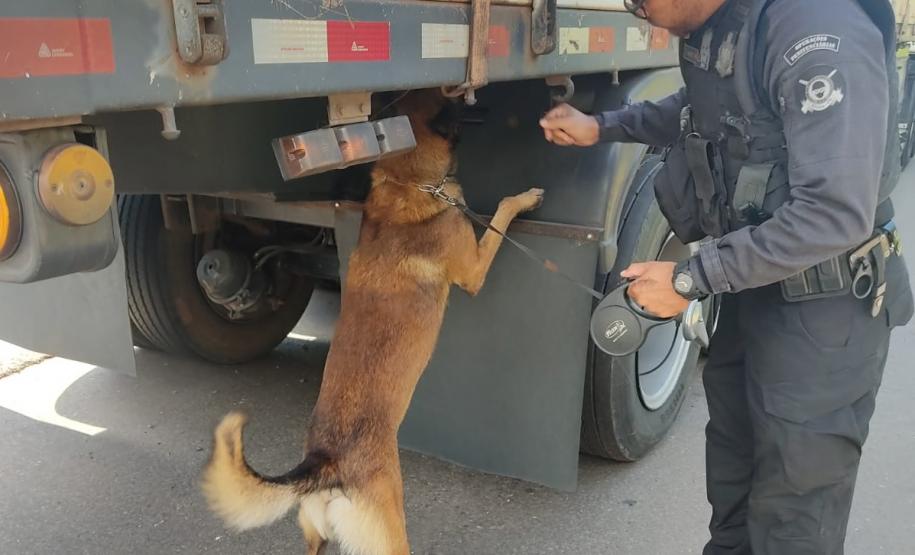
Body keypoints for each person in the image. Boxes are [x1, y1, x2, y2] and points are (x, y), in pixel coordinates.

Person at [540, 0, 914, 553]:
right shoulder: (731, 23)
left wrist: (690, 280)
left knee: (792, 519)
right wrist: (601, 127)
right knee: (734, 489)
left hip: (825, 314)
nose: (635, 7)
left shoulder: (815, 26)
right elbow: (701, 111)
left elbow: (833, 212)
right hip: (753, 291)